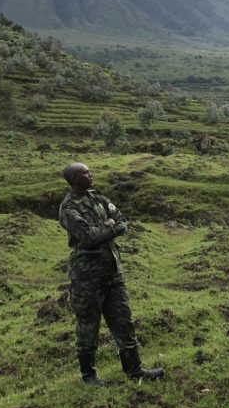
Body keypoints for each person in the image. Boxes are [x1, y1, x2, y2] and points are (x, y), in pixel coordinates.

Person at [58, 162, 165, 385]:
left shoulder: (98, 198)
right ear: (75, 179)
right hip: (87, 277)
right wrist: (108, 226)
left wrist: (106, 227)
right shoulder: (68, 208)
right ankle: (89, 376)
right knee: (88, 326)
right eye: (86, 173)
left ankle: (135, 370)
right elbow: (87, 237)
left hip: (113, 272)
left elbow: (122, 222)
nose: (91, 175)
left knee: (124, 322)